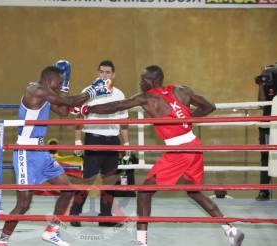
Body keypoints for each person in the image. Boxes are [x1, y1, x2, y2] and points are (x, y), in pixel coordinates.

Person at [80, 65, 245, 246]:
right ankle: (231, 230)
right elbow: (209, 106)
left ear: (151, 81)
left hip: (179, 151)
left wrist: (89, 110)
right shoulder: (181, 90)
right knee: (194, 191)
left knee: (143, 193)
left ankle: (141, 242)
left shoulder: (147, 97)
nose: (141, 82)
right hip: (194, 145)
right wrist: (186, 119)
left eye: (143, 79)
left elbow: (117, 105)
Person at [0, 61, 113, 246]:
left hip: (41, 152)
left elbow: (64, 111)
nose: (59, 87)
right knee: (23, 204)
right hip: (26, 152)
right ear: (50, 80)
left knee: (67, 190)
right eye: (59, 83)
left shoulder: (47, 95)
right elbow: (69, 102)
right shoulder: (34, 90)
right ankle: (2, 241)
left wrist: (66, 85)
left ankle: (52, 230)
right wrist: (93, 90)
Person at [69, 60, 130, 227]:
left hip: (113, 141)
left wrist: (126, 144)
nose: (104, 75)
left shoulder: (119, 94)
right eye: (101, 72)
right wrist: (77, 140)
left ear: (113, 75)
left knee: (110, 180)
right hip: (93, 139)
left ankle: (105, 217)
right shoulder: (88, 92)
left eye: (108, 72)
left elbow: (124, 121)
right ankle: (74, 214)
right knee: (88, 179)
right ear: (97, 73)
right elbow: (79, 117)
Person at [255, 64, 277, 201]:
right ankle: (264, 191)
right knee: (265, 158)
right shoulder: (268, 83)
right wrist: (261, 84)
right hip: (267, 126)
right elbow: (262, 103)